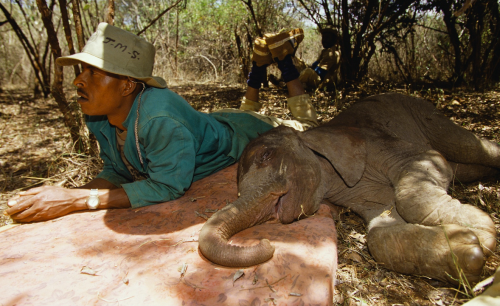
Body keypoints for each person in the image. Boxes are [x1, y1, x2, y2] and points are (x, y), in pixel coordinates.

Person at [4, 23, 318, 223]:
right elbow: (118, 169)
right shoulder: (98, 113)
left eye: (93, 73)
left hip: (254, 131)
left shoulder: (160, 120)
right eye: (81, 70)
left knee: (307, 124)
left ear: (127, 85)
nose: (78, 82)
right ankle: (260, 62)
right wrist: (66, 198)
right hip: (217, 120)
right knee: (239, 111)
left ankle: (285, 64)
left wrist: (75, 200)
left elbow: (167, 187)